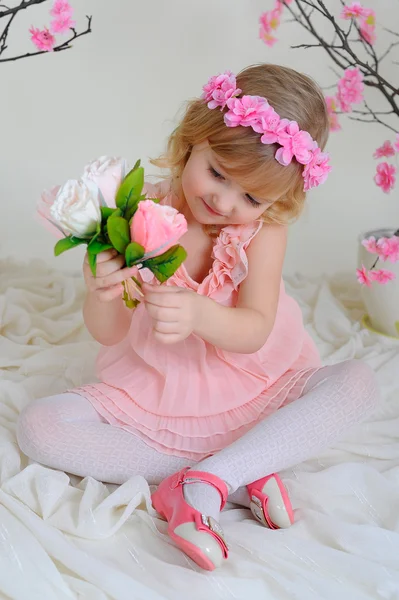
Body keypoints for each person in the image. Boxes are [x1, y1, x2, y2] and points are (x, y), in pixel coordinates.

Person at [17, 64, 379, 571]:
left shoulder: (263, 231)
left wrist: (202, 315)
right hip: (157, 385)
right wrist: (101, 287)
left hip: (253, 383)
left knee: (360, 382)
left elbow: (255, 328)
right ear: (193, 141)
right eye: (217, 174)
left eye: (251, 197)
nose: (224, 202)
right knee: (40, 427)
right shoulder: (141, 212)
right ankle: (234, 471)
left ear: (279, 200)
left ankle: (213, 476)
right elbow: (108, 332)